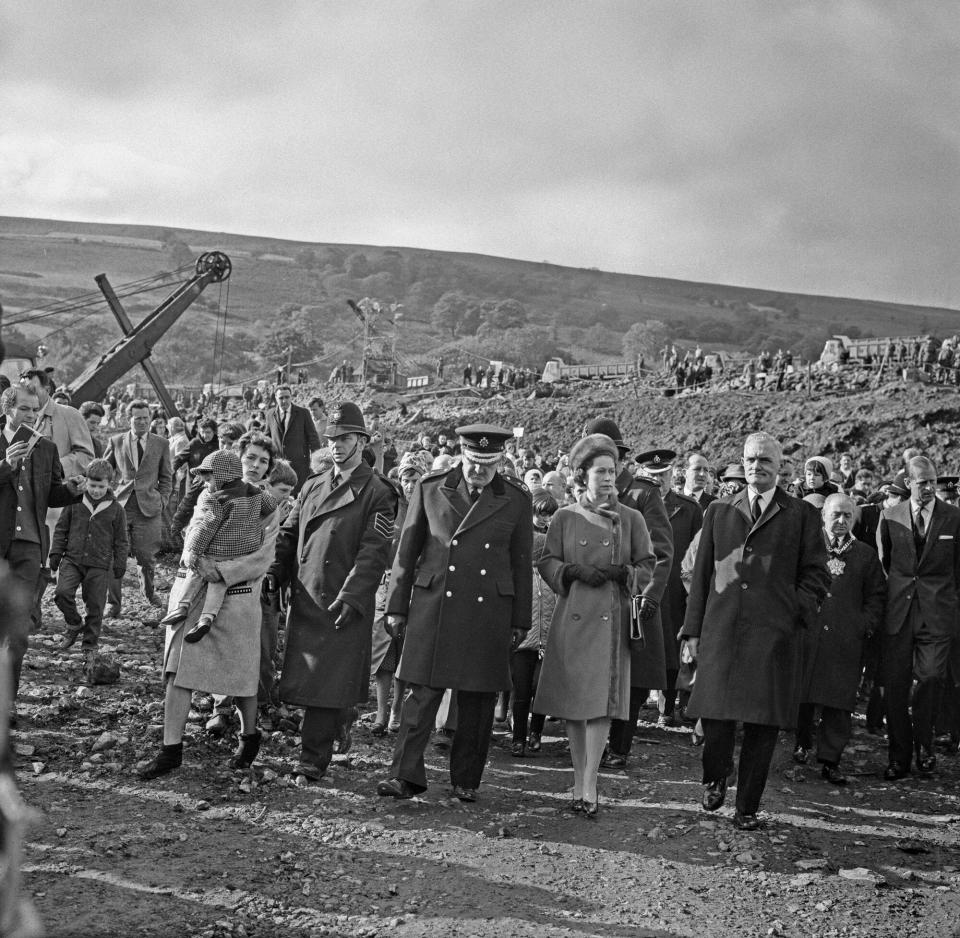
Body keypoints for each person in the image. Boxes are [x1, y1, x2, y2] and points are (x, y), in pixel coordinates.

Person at [681, 432, 830, 830]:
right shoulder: (719, 510)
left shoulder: (800, 514)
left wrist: (792, 608)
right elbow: (700, 578)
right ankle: (715, 776)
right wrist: (692, 632)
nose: (756, 466)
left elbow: (817, 573)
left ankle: (747, 806)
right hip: (722, 628)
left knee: (763, 725)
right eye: (750, 459)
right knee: (714, 713)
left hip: (773, 633)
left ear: (780, 466)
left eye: (765, 460)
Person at [378, 424, 533, 802]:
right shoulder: (431, 489)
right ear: (462, 454)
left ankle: (466, 778)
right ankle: (405, 775)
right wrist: (396, 605)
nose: (479, 470)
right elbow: (407, 552)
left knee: (478, 701)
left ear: (499, 461)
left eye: (488, 463)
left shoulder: (515, 499)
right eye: (473, 461)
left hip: (488, 610)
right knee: (421, 694)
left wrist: (520, 619)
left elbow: (520, 562)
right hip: (435, 605)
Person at [138, 432, 280, 779]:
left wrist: (221, 571)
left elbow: (262, 558)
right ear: (236, 461)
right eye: (250, 458)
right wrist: (193, 558)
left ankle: (249, 737)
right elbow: (194, 533)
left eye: (263, 461)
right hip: (194, 592)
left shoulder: (266, 506)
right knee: (178, 670)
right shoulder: (209, 495)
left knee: (242, 676)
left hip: (238, 595)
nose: (255, 465)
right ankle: (171, 748)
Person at [271, 403, 398, 783]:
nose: (337, 446)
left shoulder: (378, 491)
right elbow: (289, 535)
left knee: (325, 680)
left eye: (345, 438)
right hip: (307, 595)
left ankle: (313, 757)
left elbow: (374, 551)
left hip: (341, 599)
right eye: (332, 439)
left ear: (361, 441)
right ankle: (341, 715)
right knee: (313, 678)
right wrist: (275, 573)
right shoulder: (312, 485)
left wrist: (354, 596)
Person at [533, 434, 656, 818]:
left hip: (610, 619)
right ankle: (577, 775)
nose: (607, 478)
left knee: (601, 705)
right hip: (574, 618)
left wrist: (627, 574)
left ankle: (589, 784)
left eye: (612, 471)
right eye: (600, 471)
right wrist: (569, 571)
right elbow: (547, 561)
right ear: (583, 475)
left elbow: (649, 564)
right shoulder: (566, 517)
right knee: (574, 705)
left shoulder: (633, 517)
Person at [583, 418, 672, 770]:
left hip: (631, 601)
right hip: (591, 599)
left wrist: (648, 596)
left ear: (619, 457)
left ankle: (619, 746)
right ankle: (591, 740)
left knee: (630, 678)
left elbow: (662, 552)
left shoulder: (642, 494)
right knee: (593, 671)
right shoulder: (582, 496)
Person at [877, 455, 960, 779]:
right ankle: (899, 755)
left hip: (937, 615)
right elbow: (886, 565)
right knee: (895, 687)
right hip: (899, 613)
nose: (928, 488)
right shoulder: (890, 516)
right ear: (908, 482)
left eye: (932, 481)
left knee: (930, 678)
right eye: (921, 482)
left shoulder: (953, 517)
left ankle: (925, 742)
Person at [793, 493, 885, 784]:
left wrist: (863, 625)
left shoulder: (865, 555)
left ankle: (831, 759)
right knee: (802, 695)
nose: (841, 521)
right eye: (835, 515)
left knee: (839, 701)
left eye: (848, 515)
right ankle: (801, 744)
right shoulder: (808, 548)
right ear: (823, 516)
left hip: (845, 640)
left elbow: (876, 597)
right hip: (808, 634)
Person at [1, 385, 83, 705]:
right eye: (25, 409)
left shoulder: (46, 449)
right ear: (7, 410)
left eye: (35, 410)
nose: (32, 416)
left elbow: (52, 494)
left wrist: (73, 489)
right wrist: (6, 465)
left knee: (18, 630)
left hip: (29, 546)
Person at [160, 450, 277, 643]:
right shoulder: (254, 492)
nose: (206, 484)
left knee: (195, 575)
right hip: (241, 550)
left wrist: (193, 552)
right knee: (219, 584)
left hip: (216, 551)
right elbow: (271, 505)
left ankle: (182, 606)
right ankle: (207, 618)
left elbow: (206, 527)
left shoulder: (218, 499)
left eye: (208, 480)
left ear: (222, 475)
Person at [50, 459, 129, 656]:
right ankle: (74, 623)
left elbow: (121, 540)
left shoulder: (116, 509)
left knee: (95, 605)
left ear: (109, 484)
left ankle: (89, 645)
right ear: (86, 481)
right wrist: (56, 553)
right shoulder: (74, 501)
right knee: (61, 593)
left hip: (99, 564)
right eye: (92, 485)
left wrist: (120, 563)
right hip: (72, 559)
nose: (95, 490)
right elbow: (61, 529)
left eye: (101, 486)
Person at [104, 399, 173, 613]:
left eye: (145, 418)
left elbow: (167, 477)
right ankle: (112, 603)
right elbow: (104, 470)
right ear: (129, 419)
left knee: (146, 556)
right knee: (116, 556)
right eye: (137, 418)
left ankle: (149, 592)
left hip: (149, 509)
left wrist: (162, 499)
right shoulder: (116, 441)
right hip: (121, 507)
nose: (142, 422)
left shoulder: (161, 443)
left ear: (150, 418)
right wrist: (107, 496)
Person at [510, 489, 559, 757]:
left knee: (540, 688)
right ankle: (518, 737)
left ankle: (535, 733)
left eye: (549, 514)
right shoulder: (522, 576)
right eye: (541, 513)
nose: (544, 519)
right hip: (524, 638)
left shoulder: (553, 576)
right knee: (521, 690)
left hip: (548, 637)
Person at [266, 384, 321, 494]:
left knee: (299, 496)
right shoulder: (270, 414)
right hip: (278, 466)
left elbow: (313, 438)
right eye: (281, 398)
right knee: (280, 496)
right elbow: (267, 438)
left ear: (291, 397)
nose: (284, 401)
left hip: (299, 465)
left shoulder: (303, 413)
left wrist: (316, 462)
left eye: (287, 397)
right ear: (276, 398)